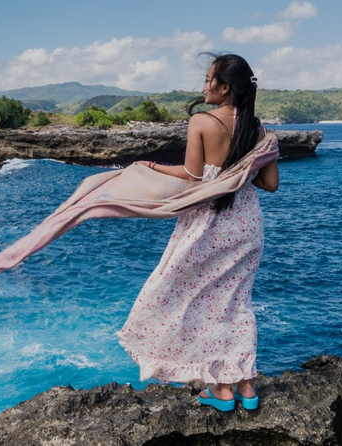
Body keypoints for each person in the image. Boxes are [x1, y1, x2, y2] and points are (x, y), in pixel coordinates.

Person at [114, 52, 278, 412]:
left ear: (225, 88)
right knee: (237, 303)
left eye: (208, 80)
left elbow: (192, 176)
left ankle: (221, 389)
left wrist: (152, 166)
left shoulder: (202, 122)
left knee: (200, 302)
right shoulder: (260, 130)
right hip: (247, 223)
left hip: (209, 222)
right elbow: (270, 184)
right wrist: (254, 161)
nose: (203, 86)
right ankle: (246, 385)